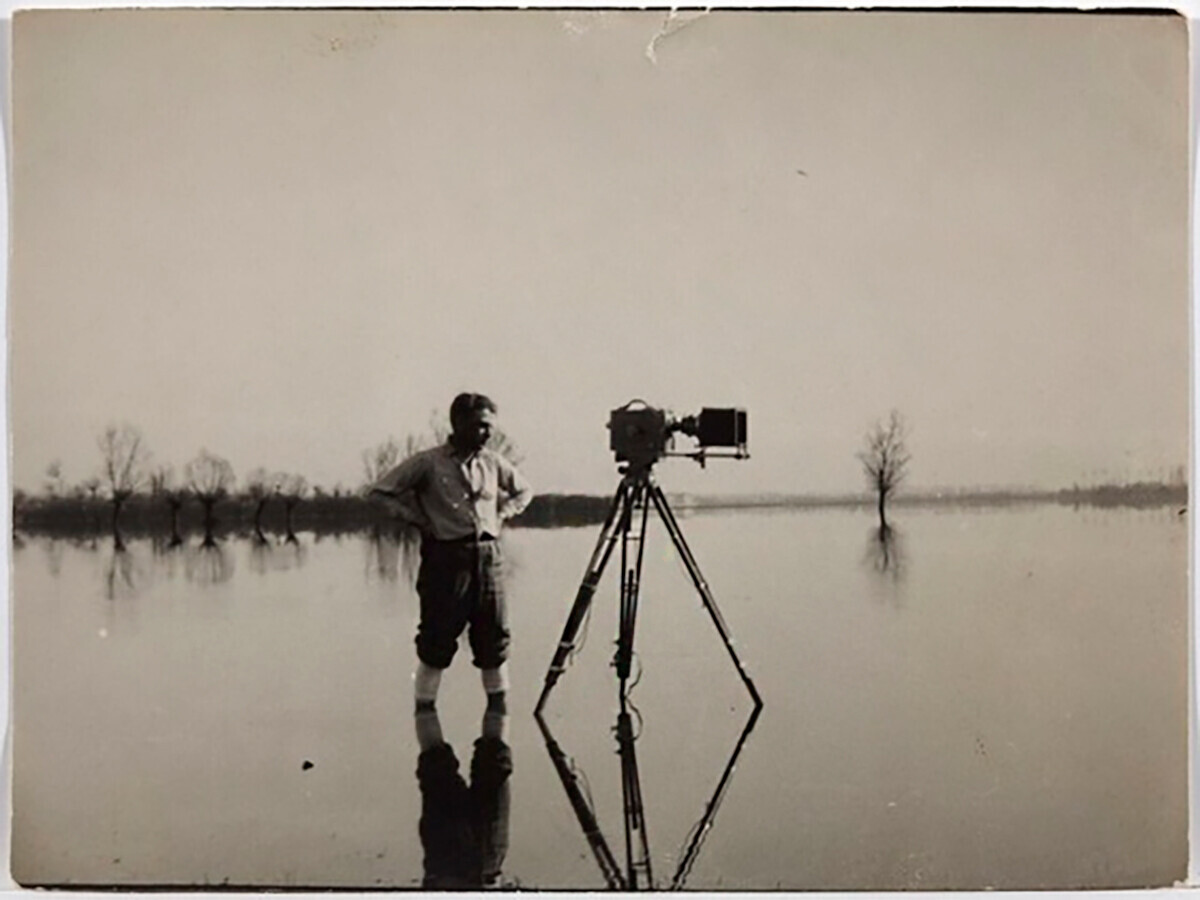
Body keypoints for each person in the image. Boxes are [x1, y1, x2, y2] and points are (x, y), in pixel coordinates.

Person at [370, 393, 533, 713]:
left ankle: (497, 730)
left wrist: (502, 513)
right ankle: (426, 722)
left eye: (490, 427)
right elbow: (379, 493)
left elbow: (525, 490)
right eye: (480, 426)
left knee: (494, 640)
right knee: (436, 641)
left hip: (489, 558)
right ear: (458, 423)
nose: (486, 434)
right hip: (445, 560)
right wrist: (417, 519)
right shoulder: (428, 463)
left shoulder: (493, 462)